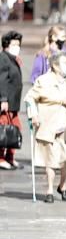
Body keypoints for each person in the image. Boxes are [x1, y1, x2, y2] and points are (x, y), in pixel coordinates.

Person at [24, 53, 66, 203]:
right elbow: (29, 98)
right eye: (64, 63)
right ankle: (49, 190)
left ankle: (63, 185)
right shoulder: (43, 80)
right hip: (49, 124)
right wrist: (34, 115)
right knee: (50, 159)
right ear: (55, 66)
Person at [0, 30, 23, 170]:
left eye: (18, 44)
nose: (17, 47)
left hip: (14, 104)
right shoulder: (3, 58)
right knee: (3, 130)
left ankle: (10, 157)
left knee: (14, 129)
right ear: (6, 44)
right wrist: (3, 99)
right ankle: (1, 157)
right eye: (14, 44)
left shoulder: (13, 58)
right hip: (6, 103)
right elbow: (1, 80)